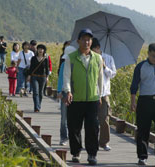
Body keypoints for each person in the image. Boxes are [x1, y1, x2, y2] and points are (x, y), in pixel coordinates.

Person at [63, 28, 103, 165]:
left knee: (92, 127)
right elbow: (66, 76)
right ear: (78, 41)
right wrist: (68, 91)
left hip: (92, 98)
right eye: (84, 39)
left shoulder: (98, 58)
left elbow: (100, 79)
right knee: (74, 127)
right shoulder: (71, 58)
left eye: (89, 39)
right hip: (76, 98)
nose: (87, 42)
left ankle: (92, 154)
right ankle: (76, 152)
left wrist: (100, 95)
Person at [130, 43, 155, 166]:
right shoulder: (141, 67)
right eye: (153, 56)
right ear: (148, 54)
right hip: (145, 101)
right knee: (143, 130)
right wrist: (133, 102)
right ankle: (142, 156)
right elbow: (134, 86)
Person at [91, 38, 116, 151]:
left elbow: (113, 74)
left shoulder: (109, 58)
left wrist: (105, 66)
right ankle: (92, 141)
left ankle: (104, 142)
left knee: (105, 118)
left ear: (97, 48)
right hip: (92, 93)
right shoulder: (89, 58)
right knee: (91, 119)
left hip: (104, 93)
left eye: (93, 49)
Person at [57, 45, 77, 146]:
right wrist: (59, 91)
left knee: (74, 117)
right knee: (64, 117)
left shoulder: (78, 64)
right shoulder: (64, 64)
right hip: (65, 92)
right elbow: (61, 78)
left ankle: (73, 137)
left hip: (76, 94)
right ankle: (63, 137)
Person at [27, 44, 49, 112]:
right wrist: (29, 75)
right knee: (35, 92)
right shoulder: (33, 58)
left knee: (41, 92)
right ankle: (36, 107)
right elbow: (31, 68)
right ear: (37, 50)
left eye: (42, 49)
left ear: (44, 51)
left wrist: (47, 77)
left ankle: (38, 105)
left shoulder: (45, 59)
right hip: (34, 76)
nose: (40, 50)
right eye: (39, 49)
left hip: (43, 77)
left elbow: (47, 69)